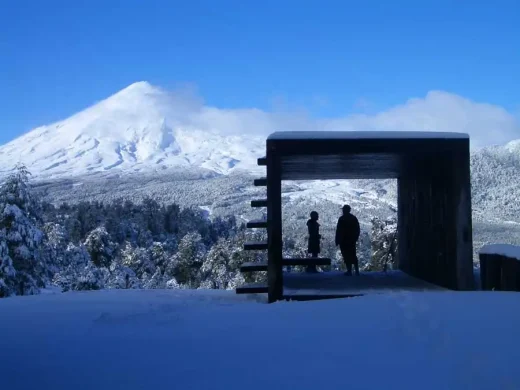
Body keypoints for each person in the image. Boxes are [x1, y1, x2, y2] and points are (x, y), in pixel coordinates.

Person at [335, 205, 361, 276]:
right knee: (353, 254)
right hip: (351, 240)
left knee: (346, 255)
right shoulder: (353, 218)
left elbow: (338, 230)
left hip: (343, 241)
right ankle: (356, 271)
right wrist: (355, 238)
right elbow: (357, 229)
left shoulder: (342, 219)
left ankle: (349, 270)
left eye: (343, 210)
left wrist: (337, 240)